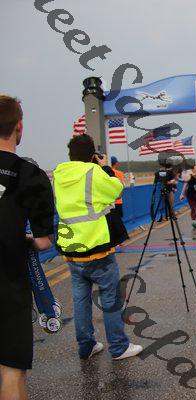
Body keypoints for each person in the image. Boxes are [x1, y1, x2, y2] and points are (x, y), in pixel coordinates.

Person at [54, 134, 143, 361]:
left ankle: (86, 346)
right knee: (111, 298)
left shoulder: (59, 175)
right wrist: (105, 168)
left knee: (80, 300)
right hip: (97, 249)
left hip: (72, 249)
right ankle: (119, 347)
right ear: (92, 155)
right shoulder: (93, 173)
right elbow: (117, 189)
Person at [0, 95, 55, 400]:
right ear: (19, 127)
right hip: (9, 281)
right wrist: (26, 240)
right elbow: (45, 241)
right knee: (11, 369)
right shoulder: (31, 175)